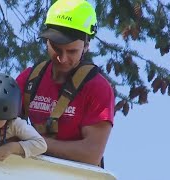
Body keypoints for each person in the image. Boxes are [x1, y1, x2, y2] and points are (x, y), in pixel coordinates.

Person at [16, 0, 114, 166]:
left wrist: (34, 144)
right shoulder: (30, 79)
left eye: (72, 51)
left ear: (86, 46)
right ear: (47, 41)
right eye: (56, 48)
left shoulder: (97, 88)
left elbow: (91, 155)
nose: (62, 58)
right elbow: (0, 125)